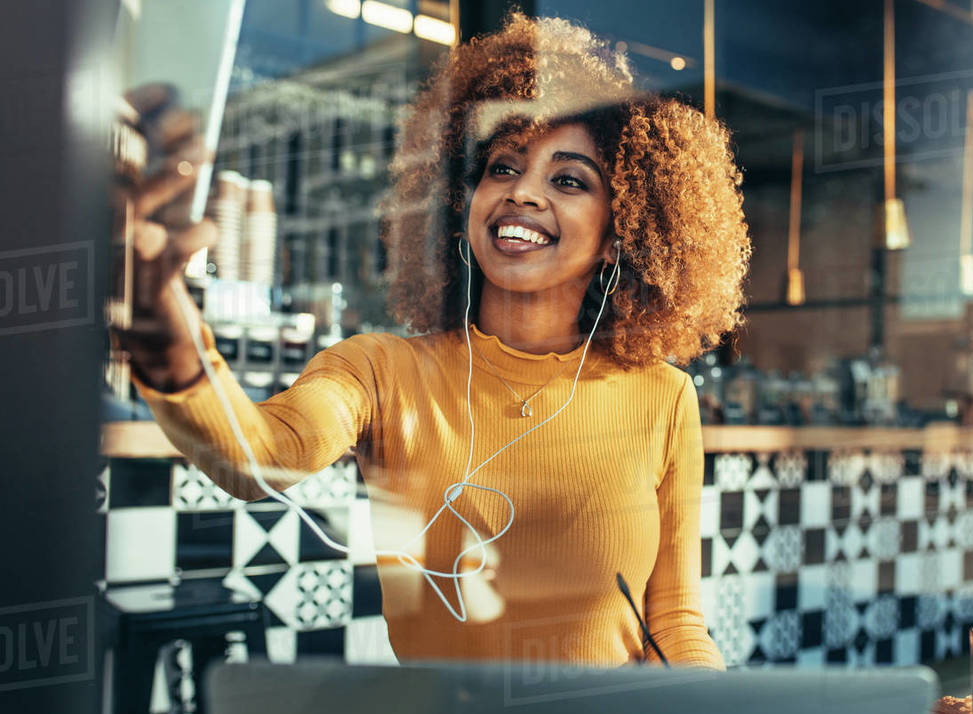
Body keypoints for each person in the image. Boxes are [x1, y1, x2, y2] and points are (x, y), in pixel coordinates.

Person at [112, 15, 749, 669]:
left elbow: (673, 622)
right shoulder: (381, 371)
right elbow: (258, 459)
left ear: (620, 232)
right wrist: (164, 333)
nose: (522, 193)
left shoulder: (663, 398)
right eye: (502, 168)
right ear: (460, 202)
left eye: (568, 180)